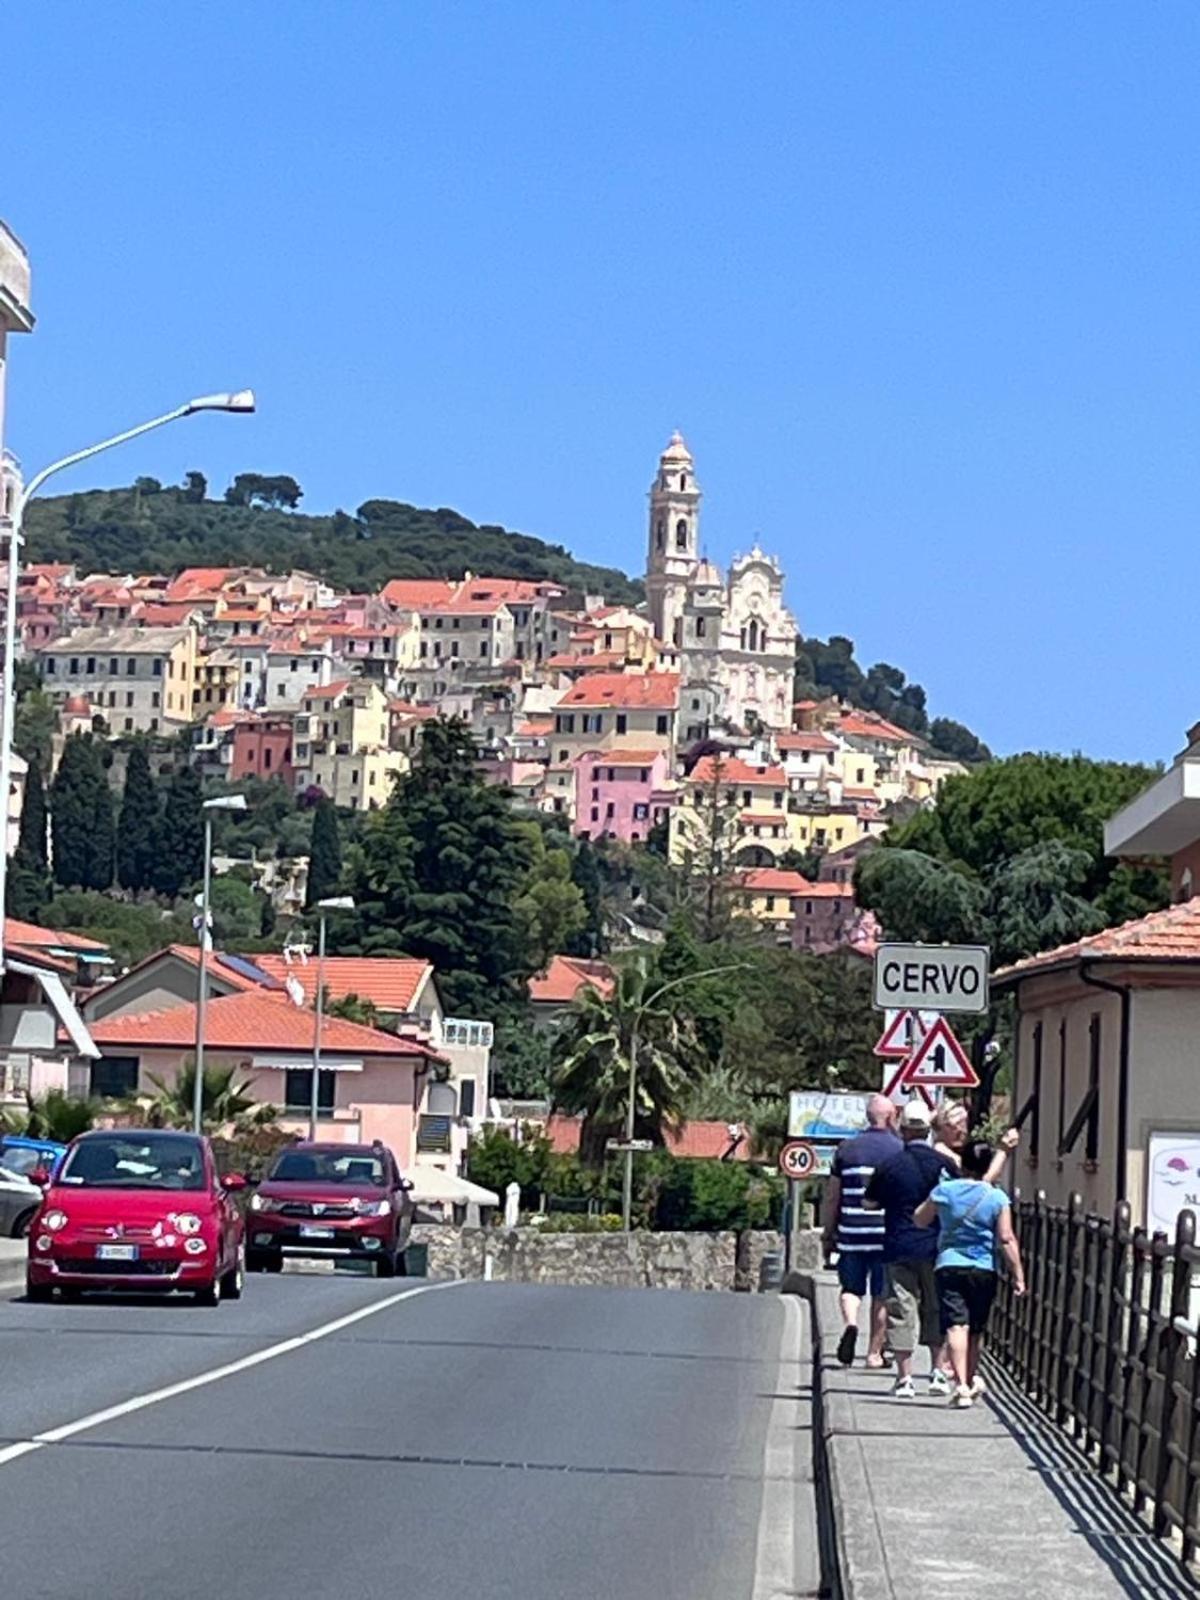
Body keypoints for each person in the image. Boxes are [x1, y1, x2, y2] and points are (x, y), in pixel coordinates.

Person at [915, 1140, 1026, 1409]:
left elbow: (920, 1219)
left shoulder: (945, 1191)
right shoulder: (997, 1197)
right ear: (988, 1166)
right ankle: (971, 1376)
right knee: (975, 1329)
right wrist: (1018, 1275)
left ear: (961, 1164)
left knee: (956, 1325)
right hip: (984, 1268)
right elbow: (1006, 1238)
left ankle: (962, 1385)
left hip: (949, 1264)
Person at [864, 1099, 956, 1400]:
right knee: (936, 1308)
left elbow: (870, 1202)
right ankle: (938, 1372)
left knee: (900, 1311)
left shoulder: (890, 1166)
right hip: (935, 1247)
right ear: (929, 1131)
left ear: (902, 1130)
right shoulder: (945, 1166)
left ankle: (904, 1379)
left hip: (898, 1246)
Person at [822, 1094, 901, 1368]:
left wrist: (828, 1233)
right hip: (883, 1234)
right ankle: (873, 1354)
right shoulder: (898, 1150)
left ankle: (851, 1324)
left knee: (850, 1289)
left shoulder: (846, 1149)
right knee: (881, 1294)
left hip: (851, 1231)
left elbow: (833, 1196)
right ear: (891, 1117)